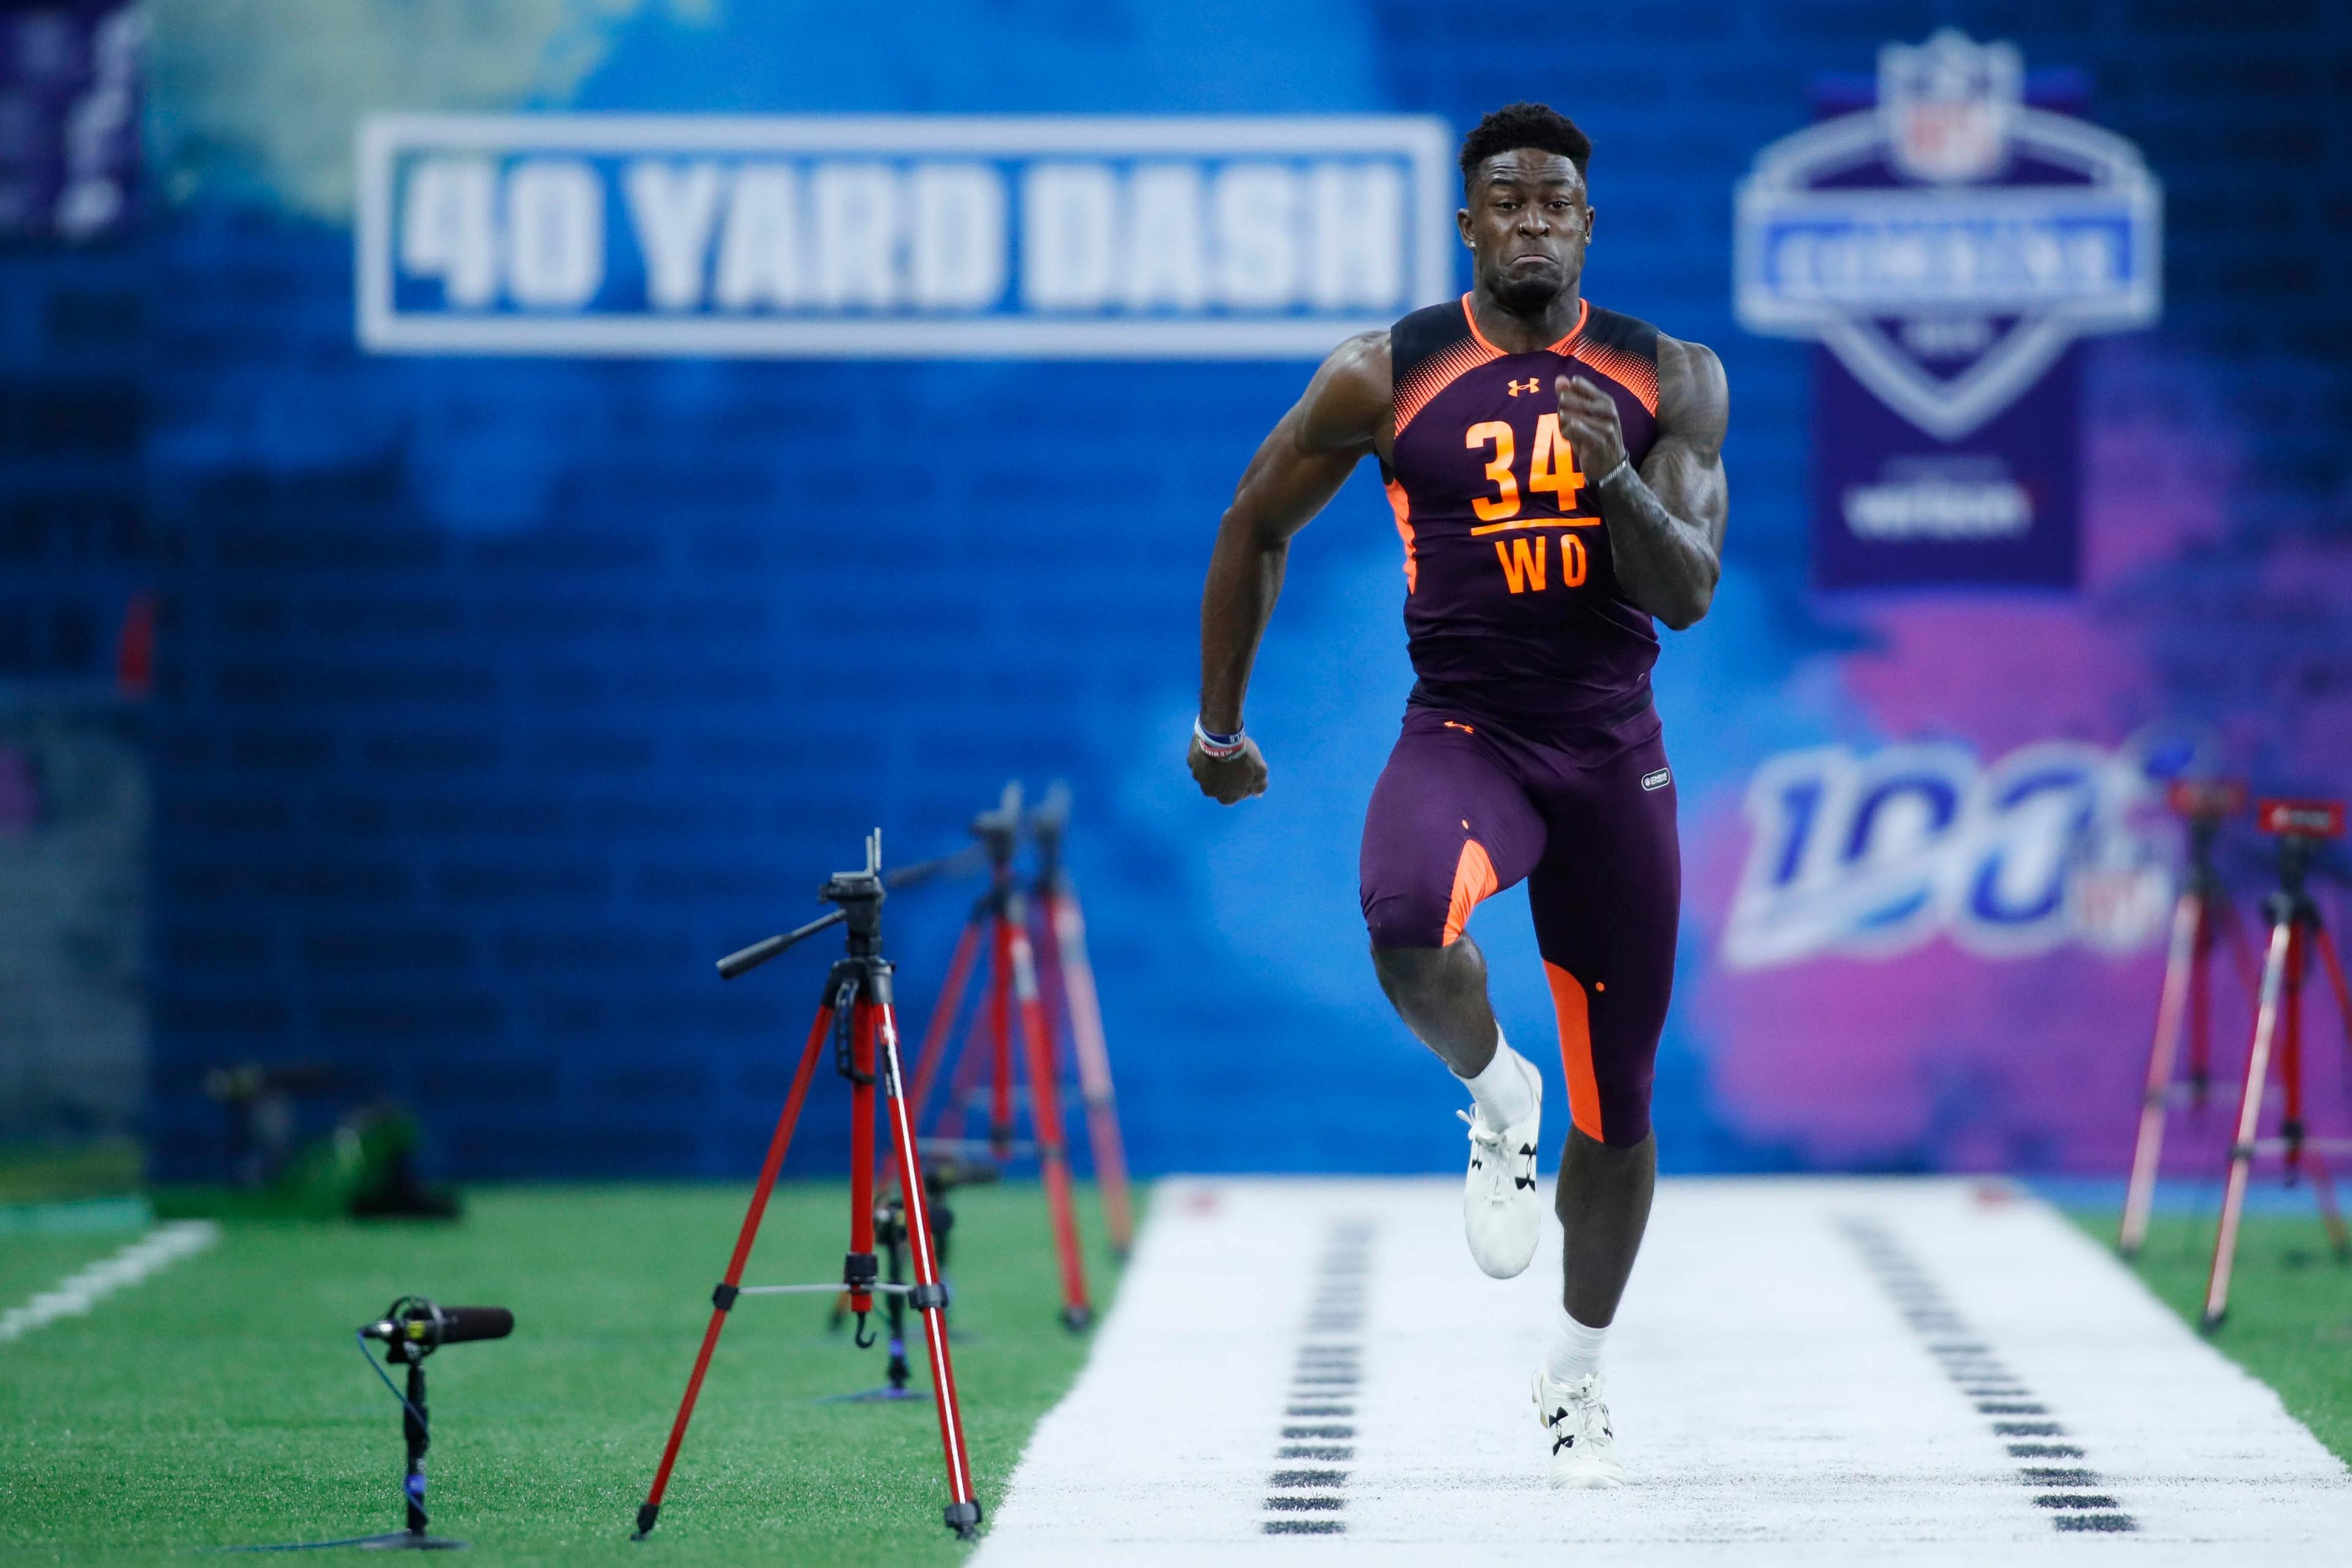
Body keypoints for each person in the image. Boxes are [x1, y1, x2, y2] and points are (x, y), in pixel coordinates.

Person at [1187, 101, 1728, 1488]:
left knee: (1623, 1112)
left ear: (1587, 225)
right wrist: (1221, 721)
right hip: (1471, 728)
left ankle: (1576, 1374)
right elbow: (1254, 520)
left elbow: (1688, 595)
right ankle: (1496, 1093)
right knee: (1404, 920)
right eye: (1509, 200)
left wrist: (1611, 468)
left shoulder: (1670, 373)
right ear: (1469, 223)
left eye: (1558, 201)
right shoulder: (1387, 371)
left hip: (1612, 749)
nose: (1533, 221)